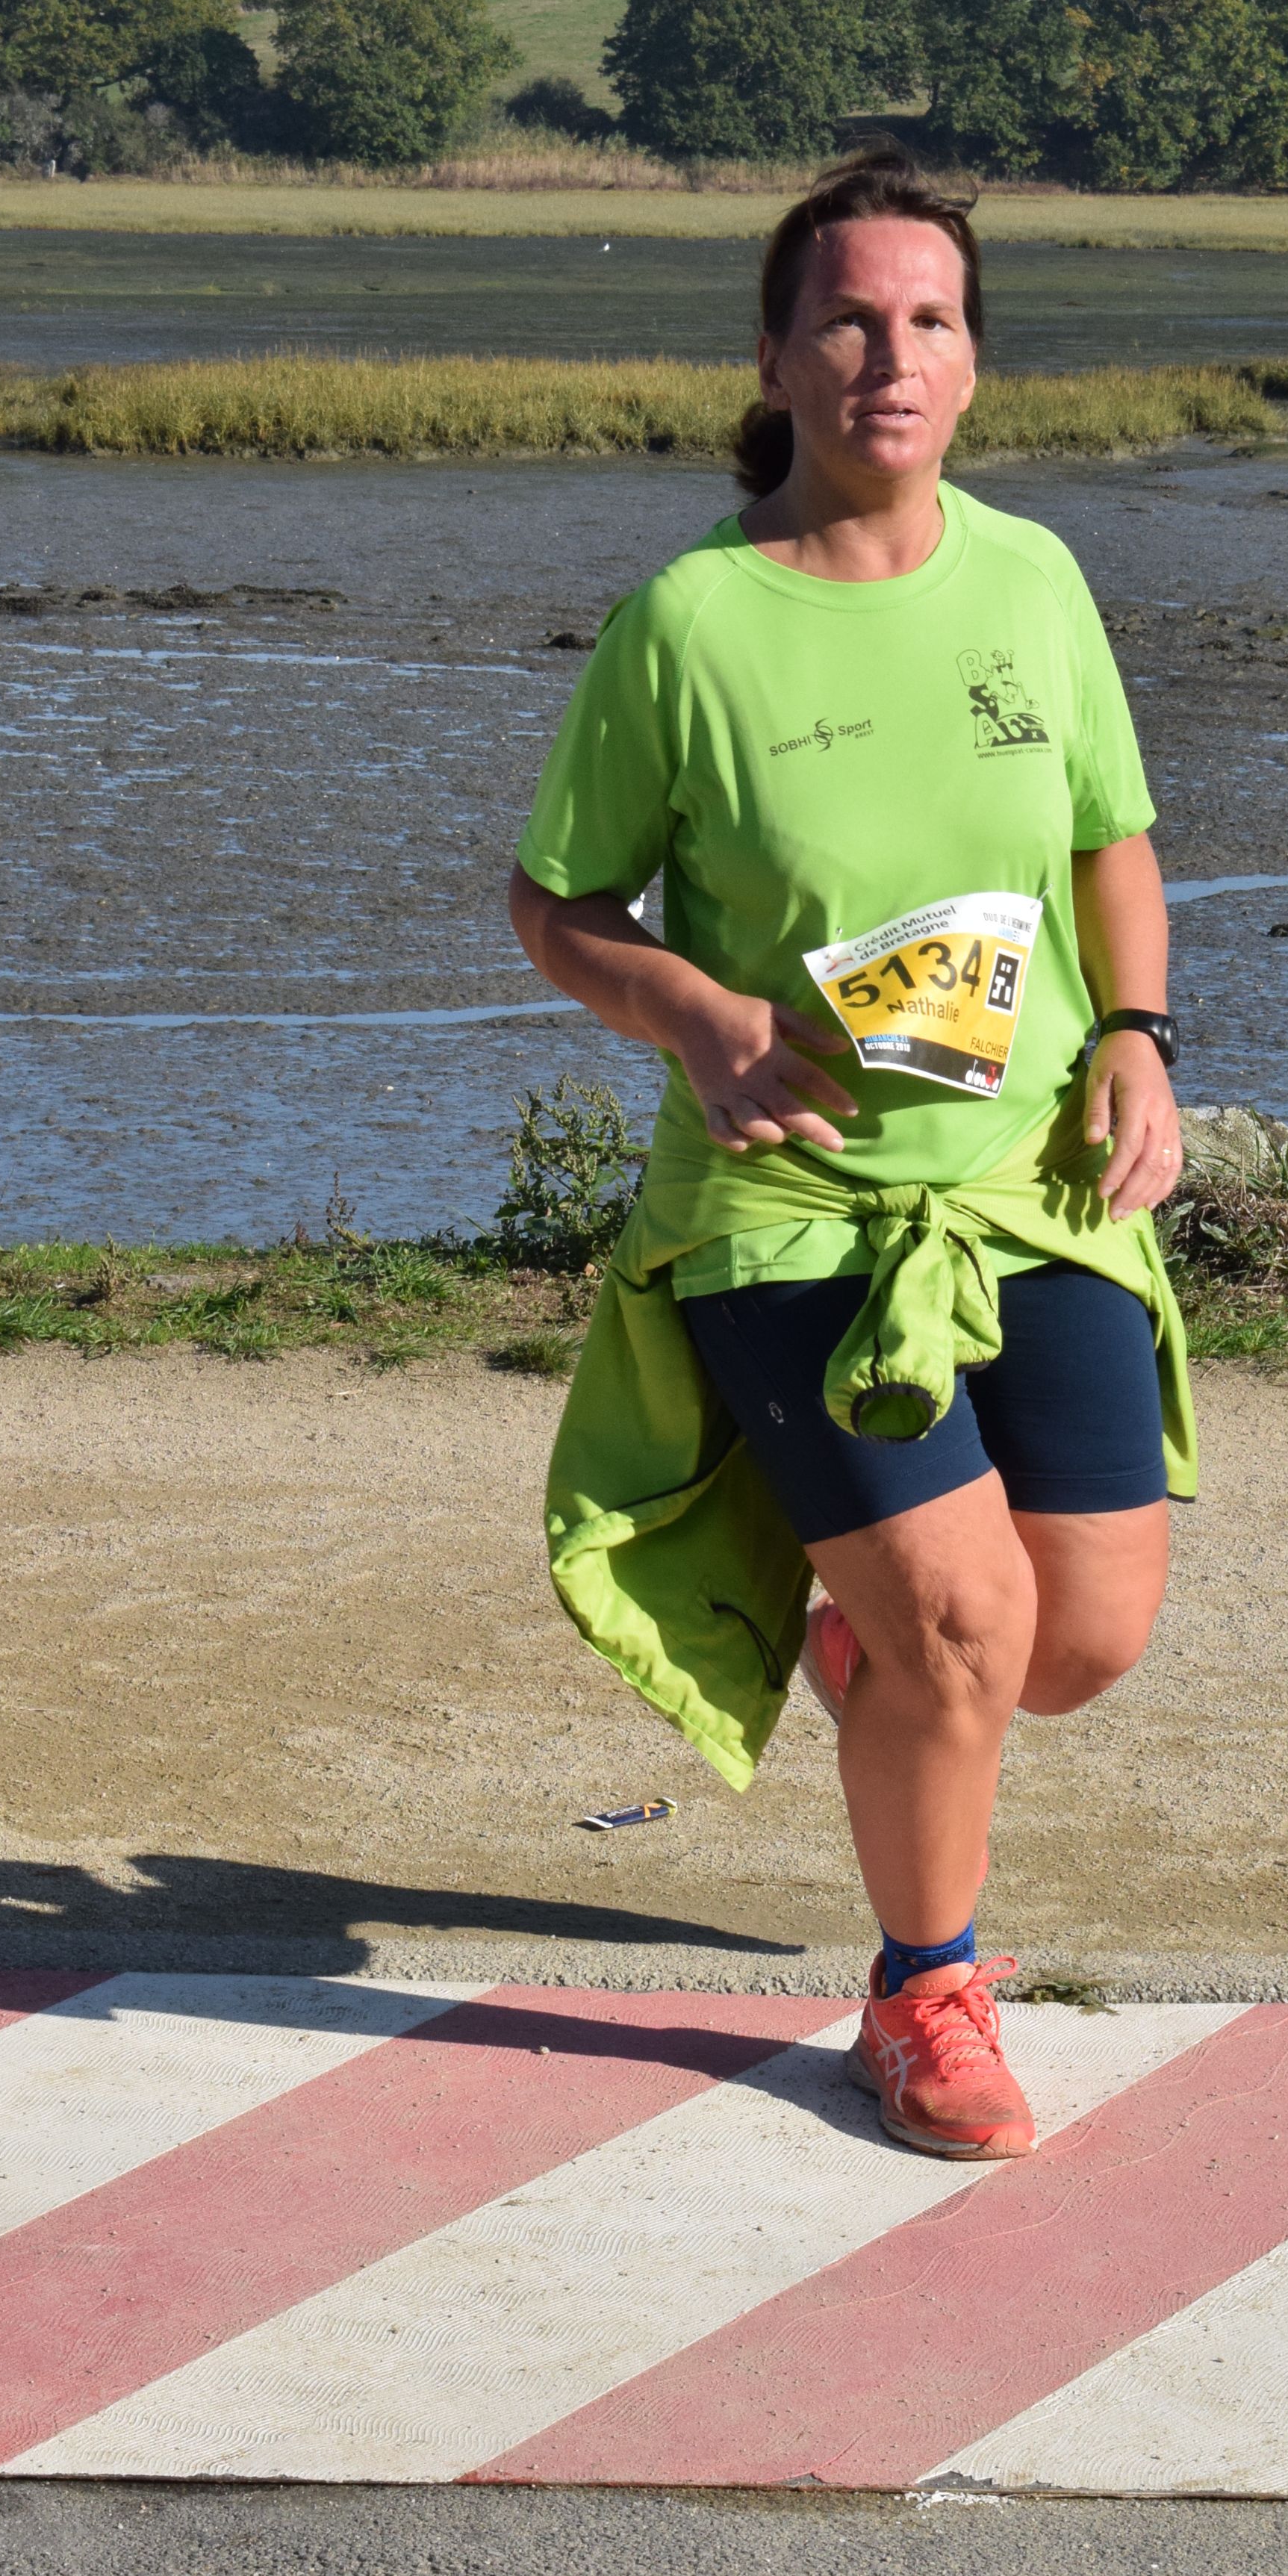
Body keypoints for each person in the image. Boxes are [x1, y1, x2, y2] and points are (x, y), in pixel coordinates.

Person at [511, 145, 1194, 2165]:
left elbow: (1111, 843)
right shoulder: (689, 625)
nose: (891, 356)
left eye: (930, 320)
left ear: (973, 362)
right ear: (777, 356)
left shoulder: (1036, 581)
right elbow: (558, 905)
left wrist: (1139, 1035)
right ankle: (924, 1995)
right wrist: (696, 1016)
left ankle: (865, 1642)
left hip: (1027, 1185)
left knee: (1078, 1639)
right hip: (791, 1204)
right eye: (849, 319)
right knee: (968, 1630)